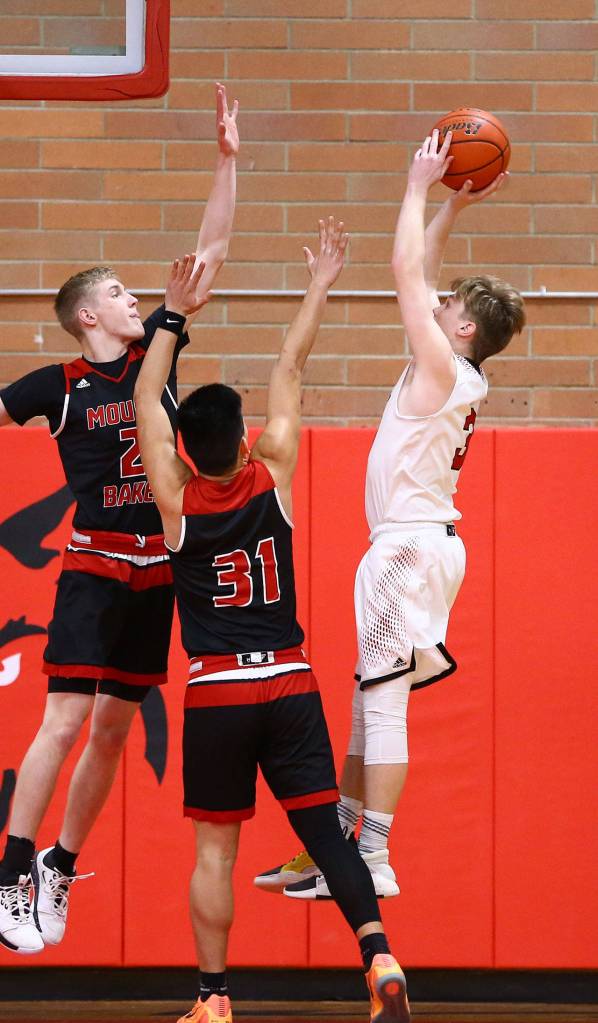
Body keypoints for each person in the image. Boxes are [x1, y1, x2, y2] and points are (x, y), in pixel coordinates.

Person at [134, 220, 410, 1023]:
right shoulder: (275, 467)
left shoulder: (177, 496)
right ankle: (378, 951)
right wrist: (319, 282)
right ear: (244, 436)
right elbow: (291, 364)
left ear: (186, 448)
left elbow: (148, 396)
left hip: (218, 692)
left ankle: (215, 998)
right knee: (327, 832)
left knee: (215, 850)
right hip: (288, 681)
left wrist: (174, 313)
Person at [255, 130, 525, 900]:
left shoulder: (442, 364)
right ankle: (338, 839)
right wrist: (453, 208)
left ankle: (373, 855)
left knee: (383, 704)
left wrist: (416, 185)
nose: (435, 304)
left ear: (463, 329)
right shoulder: (451, 364)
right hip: (423, 547)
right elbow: (427, 271)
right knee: (367, 699)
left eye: (449, 307)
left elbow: (406, 270)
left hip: (405, 550)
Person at [0, 84, 239, 956]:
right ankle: (11, 868)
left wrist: (227, 159)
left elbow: (209, 253)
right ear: (86, 314)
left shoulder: (155, 356)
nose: (134, 296)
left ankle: (60, 863)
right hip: (95, 565)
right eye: (117, 291)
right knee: (63, 718)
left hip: (157, 570)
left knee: (111, 724)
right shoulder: (55, 384)